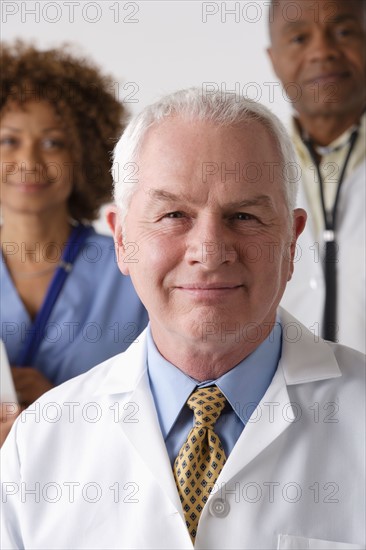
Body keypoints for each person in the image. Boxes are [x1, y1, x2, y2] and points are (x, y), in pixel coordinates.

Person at [1, 88, 365, 550]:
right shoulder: (40, 442)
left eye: (245, 216)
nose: (209, 252)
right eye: (173, 214)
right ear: (121, 240)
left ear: (291, 243)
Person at [0, 42, 148, 444]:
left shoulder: (133, 270)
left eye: (53, 143)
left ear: (83, 155)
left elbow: (173, 405)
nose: (28, 161)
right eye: (9, 141)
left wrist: (62, 410)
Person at [267, 0, 366, 353]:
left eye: (343, 31)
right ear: (273, 59)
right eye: (298, 38)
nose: (322, 51)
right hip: (282, 399)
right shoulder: (251, 166)